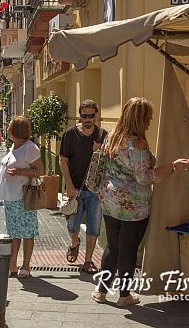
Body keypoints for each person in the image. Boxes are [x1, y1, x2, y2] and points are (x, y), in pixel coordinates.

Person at [93, 97, 189, 307]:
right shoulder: (137, 143)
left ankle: (101, 291)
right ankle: (124, 295)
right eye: (148, 118)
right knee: (128, 249)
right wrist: (174, 166)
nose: (150, 122)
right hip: (133, 205)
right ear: (140, 119)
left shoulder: (112, 136)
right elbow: (145, 178)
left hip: (110, 200)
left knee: (113, 246)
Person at [59, 100, 108, 273]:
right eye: (84, 115)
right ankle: (74, 242)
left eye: (91, 116)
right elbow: (63, 160)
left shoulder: (103, 136)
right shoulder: (70, 134)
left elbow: (109, 163)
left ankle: (88, 261)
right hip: (76, 189)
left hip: (95, 190)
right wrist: (69, 185)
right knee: (72, 225)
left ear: (96, 116)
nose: (87, 119)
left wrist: (101, 150)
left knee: (94, 226)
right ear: (80, 116)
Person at [0, 116, 45, 278]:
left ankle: (25, 265)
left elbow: (40, 171)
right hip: (10, 197)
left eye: (9, 126)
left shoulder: (29, 148)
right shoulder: (15, 146)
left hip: (22, 197)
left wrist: (20, 172)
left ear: (15, 131)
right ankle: (13, 264)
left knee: (27, 232)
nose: (7, 129)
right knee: (13, 232)